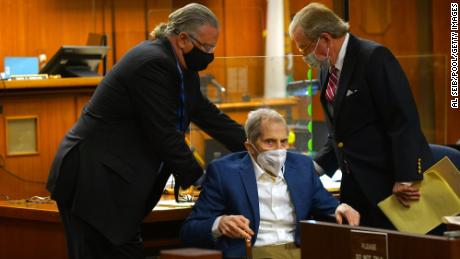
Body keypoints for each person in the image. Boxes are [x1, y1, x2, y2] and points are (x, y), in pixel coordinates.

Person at [46, 3, 246, 259]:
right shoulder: (152, 63)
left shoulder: (183, 68)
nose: (209, 55)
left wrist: (251, 142)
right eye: (206, 47)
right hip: (93, 180)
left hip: (115, 184)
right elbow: (163, 132)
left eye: (212, 48)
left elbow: (207, 114)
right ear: (183, 38)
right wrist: (203, 181)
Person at [289, 3, 433, 229]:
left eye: (305, 47)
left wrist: (405, 176)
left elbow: (402, 119)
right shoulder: (326, 68)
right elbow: (340, 131)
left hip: (389, 183)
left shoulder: (373, 57)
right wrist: (314, 168)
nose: (304, 55)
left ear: (325, 38)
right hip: (354, 184)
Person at [180, 108, 360, 259]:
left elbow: (329, 207)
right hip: (254, 253)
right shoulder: (224, 172)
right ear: (250, 147)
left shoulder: (302, 166)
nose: (279, 150)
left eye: (283, 142)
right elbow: (190, 230)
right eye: (269, 142)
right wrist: (219, 223)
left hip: (299, 252)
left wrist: (340, 208)